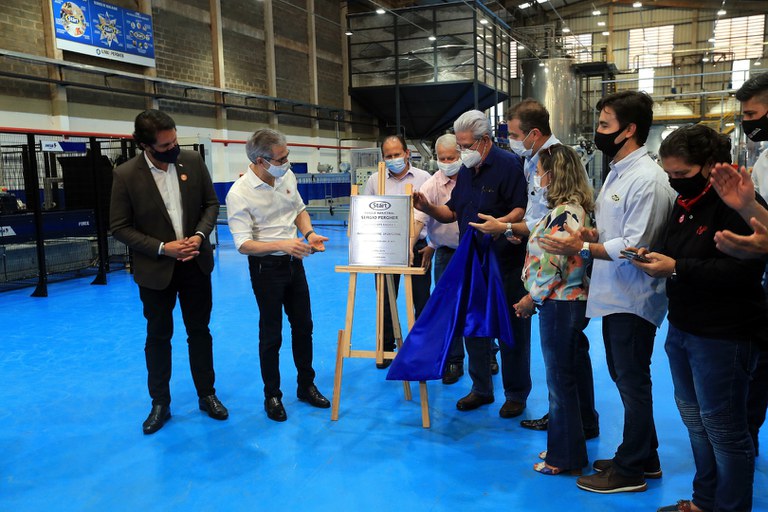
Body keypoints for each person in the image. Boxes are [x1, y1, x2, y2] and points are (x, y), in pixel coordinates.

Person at [540, 91, 676, 493]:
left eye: (604, 124)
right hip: (615, 294)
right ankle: (645, 456)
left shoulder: (647, 179)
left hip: (634, 297)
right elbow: (617, 232)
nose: (597, 131)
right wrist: (593, 234)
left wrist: (581, 246)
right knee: (624, 377)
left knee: (632, 383)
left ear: (629, 129)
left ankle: (630, 470)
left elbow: (637, 246)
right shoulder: (619, 172)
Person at [629, 124, 766, 512]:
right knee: (696, 422)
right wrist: (654, 256)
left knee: (725, 430)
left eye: (682, 174)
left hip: (724, 334)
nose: (674, 182)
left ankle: (730, 506)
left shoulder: (740, 206)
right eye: (669, 174)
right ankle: (705, 500)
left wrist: (677, 267)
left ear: (709, 166)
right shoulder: (686, 203)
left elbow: (742, 272)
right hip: (683, 328)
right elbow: (679, 251)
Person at [110, 109, 228, 435]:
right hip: (156, 271)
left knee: (200, 332)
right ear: (145, 146)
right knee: (158, 336)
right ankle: (160, 402)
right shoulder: (126, 175)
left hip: (195, 264)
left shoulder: (192, 161)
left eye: (174, 141)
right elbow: (119, 227)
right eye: (165, 146)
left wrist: (199, 236)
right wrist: (164, 247)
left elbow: (211, 204)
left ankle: (207, 394)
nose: (173, 148)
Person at [413, 110, 530, 418]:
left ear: (485, 141)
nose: (463, 152)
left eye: (466, 146)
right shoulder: (466, 171)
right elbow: (452, 212)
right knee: (474, 324)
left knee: (512, 326)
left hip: (505, 260)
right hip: (472, 259)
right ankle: (481, 388)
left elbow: (521, 209)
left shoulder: (509, 165)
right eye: (460, 146)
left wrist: (500, 224)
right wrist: (428, 207)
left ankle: (516, 393)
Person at [505, 99, 599, 438]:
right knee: (569, 366)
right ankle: (580, 425)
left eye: (542, 174)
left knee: (560, 375)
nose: (537, 178)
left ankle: (565, 445)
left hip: (559, 300)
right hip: (565, 299)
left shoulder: (563, 212)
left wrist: (531, 298)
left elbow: (553, 264)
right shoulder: (567, 209)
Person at [225, 128, 330, 422]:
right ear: (260, 160)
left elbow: (299, 210)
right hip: (266, 268)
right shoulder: (239, 193)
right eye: (281, 159)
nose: (287, 163)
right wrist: (282, 244)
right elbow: (243, 244)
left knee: (304, 326)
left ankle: (306, 385)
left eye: (287, 156)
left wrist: (309, 234)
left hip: (295, 263)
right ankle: (272, 394)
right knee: (271, 334)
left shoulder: (286, 177)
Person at [363, 135, 432, 369]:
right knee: (384, 298)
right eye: (388, 156)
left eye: (397, 154)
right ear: (383, 157)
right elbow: (366, 214)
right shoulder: (375, 180)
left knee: (421, 300)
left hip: (418, 246)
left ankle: (422, 347)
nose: (393, 159)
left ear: (407, 153)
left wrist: (417, 244)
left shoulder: (424, 178)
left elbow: (427, 215)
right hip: (385, 248)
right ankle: (386, 346)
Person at [414, 134, 462, 384]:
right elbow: (418, 221)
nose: (446, 163)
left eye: (451, 158)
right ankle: (454, 360)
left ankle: (489, 354)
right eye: (442, 158)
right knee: (447, 308)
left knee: (479, 304)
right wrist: (407, 247)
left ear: (461, 155)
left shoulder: (473, 179)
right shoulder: (430, 186)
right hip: (446, 252)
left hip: (475, 251)